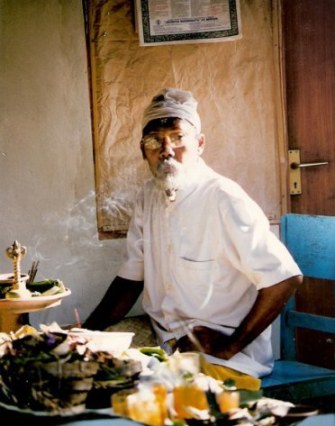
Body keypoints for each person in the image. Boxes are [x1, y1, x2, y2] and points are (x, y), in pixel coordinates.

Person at [84, 88, 303, 386]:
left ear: (199, 143)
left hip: (222, 353)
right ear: (142, 150)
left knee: (141, 394)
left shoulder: (223, 198)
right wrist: (82, 334)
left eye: (177, 138)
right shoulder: (149, 195)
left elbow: (284, 278)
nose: (166, 150)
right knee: (85, 364)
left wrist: (231, 345)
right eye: (154, 141)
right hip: (166, 339)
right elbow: (130, 280)